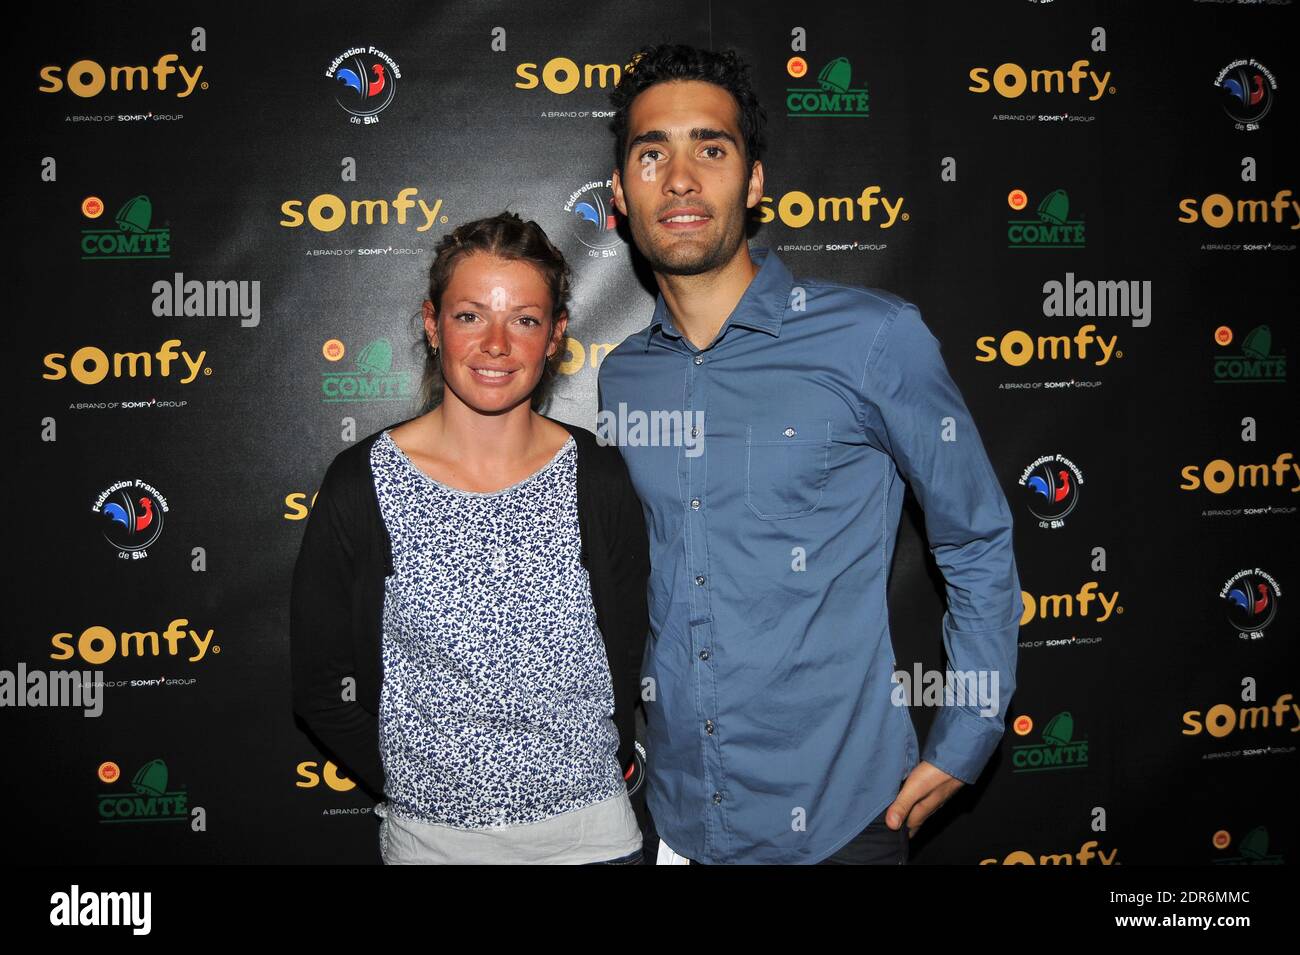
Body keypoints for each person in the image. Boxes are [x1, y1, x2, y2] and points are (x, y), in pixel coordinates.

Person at [597, 44, 1024, 864]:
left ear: (753, 182)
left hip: (844, 823)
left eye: (710, 149)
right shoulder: (625, 378)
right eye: (653, 153)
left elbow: (975, 537)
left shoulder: (874, 338)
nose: (680, 178)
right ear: (621, 193)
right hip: (678, 820)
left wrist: (968, 731)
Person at [290, 211, 651, 864]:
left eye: (524, 318)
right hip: (433, 848)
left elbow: (628, 653)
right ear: (433, 325)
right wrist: (417, 782)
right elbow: (321, 687)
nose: (496, 343)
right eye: (469, 315)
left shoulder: (597, 475)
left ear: (556, 335)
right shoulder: (361, 482)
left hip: (595, 842)